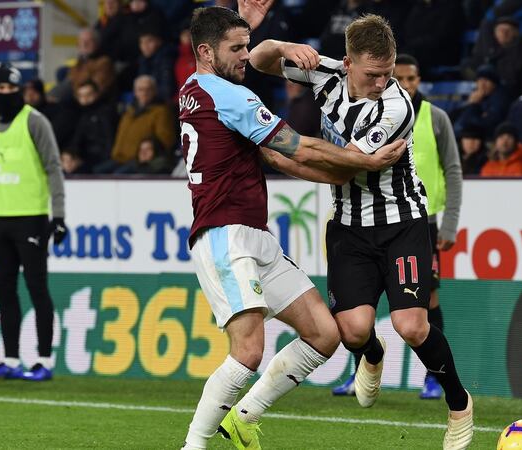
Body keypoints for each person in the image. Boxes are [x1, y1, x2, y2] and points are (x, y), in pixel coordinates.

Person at [178, 7, 407, 450]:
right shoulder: (231, 98)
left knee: (324, 334)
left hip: (255, 234)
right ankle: (194, 444)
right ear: (206, 52)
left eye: (247, 46)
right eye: (237, 49)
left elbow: (277, 158)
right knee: (247, 351)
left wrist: (337, 176)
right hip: (225, 234)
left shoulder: (195, 87)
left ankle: (244, 418)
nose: (246, 55)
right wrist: (364, 162)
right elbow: (296, 146)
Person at [250, 14, 474, 450]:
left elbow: (338, 169)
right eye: (373, 74)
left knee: (411, 324)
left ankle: (459, 403)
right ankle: (372, 355)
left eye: (388, 73)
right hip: (349, 227)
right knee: (352, 332)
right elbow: (257, 61)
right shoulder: (325, 74)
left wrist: (280, 161)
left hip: (401, 222)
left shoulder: (397, 107)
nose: (382, 82)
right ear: (348, 62)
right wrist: (280, 45)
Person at [330, 53, 463, 400]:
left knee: (427, 300)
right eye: (398, 78)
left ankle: (432, 377)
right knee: (356, 312)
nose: (405, 84)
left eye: (411, 78)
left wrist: (449, 223)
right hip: (366, 220)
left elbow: (452, 169)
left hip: (420, 220)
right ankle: (359, 364)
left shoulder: (435, 117)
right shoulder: (367, 110)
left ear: (419, 80)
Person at [0, 63, 68, 382]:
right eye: (0, 89)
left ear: (19, 91)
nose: (5, 94)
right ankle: (9, 358)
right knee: (4, 290)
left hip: (31, 219)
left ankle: (44, 360)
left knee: (37, 288)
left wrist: (59, 216)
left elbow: (53, 168)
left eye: (10, 89)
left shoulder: (34, 121)